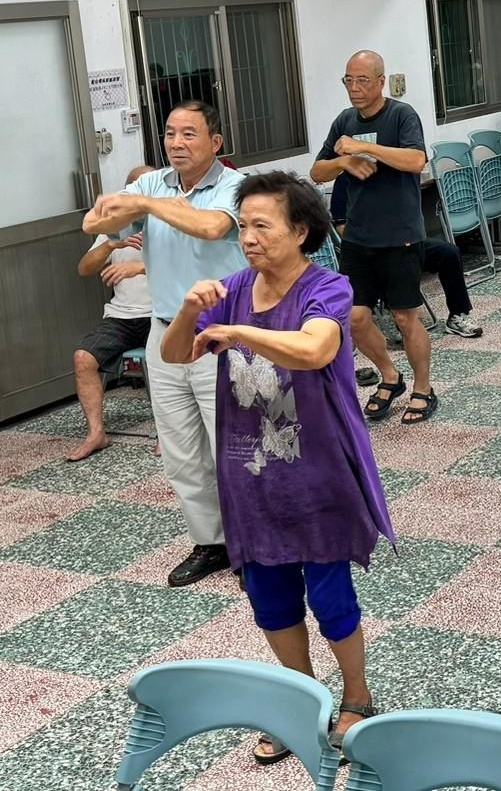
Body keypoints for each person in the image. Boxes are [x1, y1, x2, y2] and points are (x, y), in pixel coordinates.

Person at [160, 172, 393, 766]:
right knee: (269, 599)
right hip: (250, 477)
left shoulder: (327, 288)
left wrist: (239, 331)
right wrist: (188, 311)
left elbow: (315, 349)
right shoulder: (234, 288)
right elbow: (174, 353)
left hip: (318, 475)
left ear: (301, 231)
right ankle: (304, 703)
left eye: (262, 226)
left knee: (331, 597)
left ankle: (357, 698)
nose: (248, 238)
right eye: (243, 226)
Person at [82, 102, 247, 586]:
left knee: (233, 444)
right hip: (164, 330)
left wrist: (148, 204)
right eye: (171, 133)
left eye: (189, 134)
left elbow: (212, 227)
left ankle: (253, 546)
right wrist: (123, 207)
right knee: (181, 448)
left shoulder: (236, 186)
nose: (176, 143)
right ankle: (212, 543)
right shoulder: (152, 183)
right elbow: (93, 224)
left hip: (221, 333)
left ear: (215, 142)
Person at [311, 50, 437, 425]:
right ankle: (390, 375)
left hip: (400, 236)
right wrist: (343, 161)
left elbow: (416, 160)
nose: (354, 88)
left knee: (404, 318)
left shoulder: (401, 115)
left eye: (363, 80)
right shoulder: (344, 121)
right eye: (348, 80)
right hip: (358, 237)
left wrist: (363, 147)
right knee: (354, 317)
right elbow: (317, 172)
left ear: (381, 81)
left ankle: (423, 388)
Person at [69, 166, 155, 462]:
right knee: (83, 358)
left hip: (160, 314)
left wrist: (140, 268)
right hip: (121, 317)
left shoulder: (168, 224)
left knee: (166, 362)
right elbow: (84, 269)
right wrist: (109, 245)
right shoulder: (116, 227)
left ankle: (171, 434)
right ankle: (96, 433)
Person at [329, 172, 482, 339]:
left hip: (407, 242)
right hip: (372, 249)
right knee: (389, 264)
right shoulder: (345, 180)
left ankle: (458, 315)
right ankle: (404, 326)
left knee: (448, 253)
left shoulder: (394, 174)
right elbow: (342, 226)